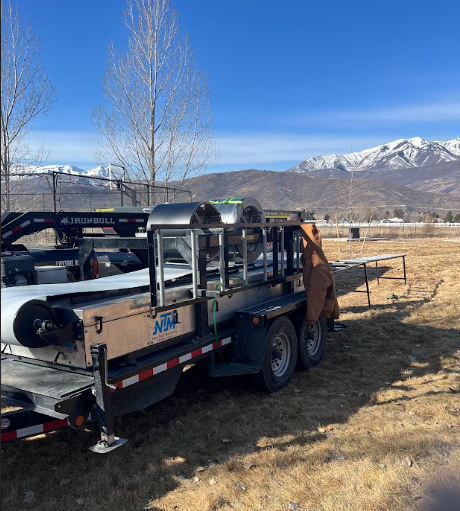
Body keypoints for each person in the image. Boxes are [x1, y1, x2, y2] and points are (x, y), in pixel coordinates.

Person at [300, 223, 340, 327]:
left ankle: (327, 322)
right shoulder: (316, 256)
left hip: (322, 311)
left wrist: (311, 321)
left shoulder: (317, 264)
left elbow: (316, 294)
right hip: (325, 310)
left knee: (319, 294)